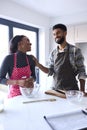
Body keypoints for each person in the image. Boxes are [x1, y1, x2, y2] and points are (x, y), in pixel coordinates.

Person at [33, 23, 87, 95]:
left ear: (65, 33)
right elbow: (50, 71)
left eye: (58, 33)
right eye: (54, 34)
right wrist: (38, 65)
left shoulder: (75, 50)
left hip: (71, 90)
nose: (56, 36)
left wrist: (82, 90)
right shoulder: (53, 53)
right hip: (55, 89)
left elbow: (81, 71)